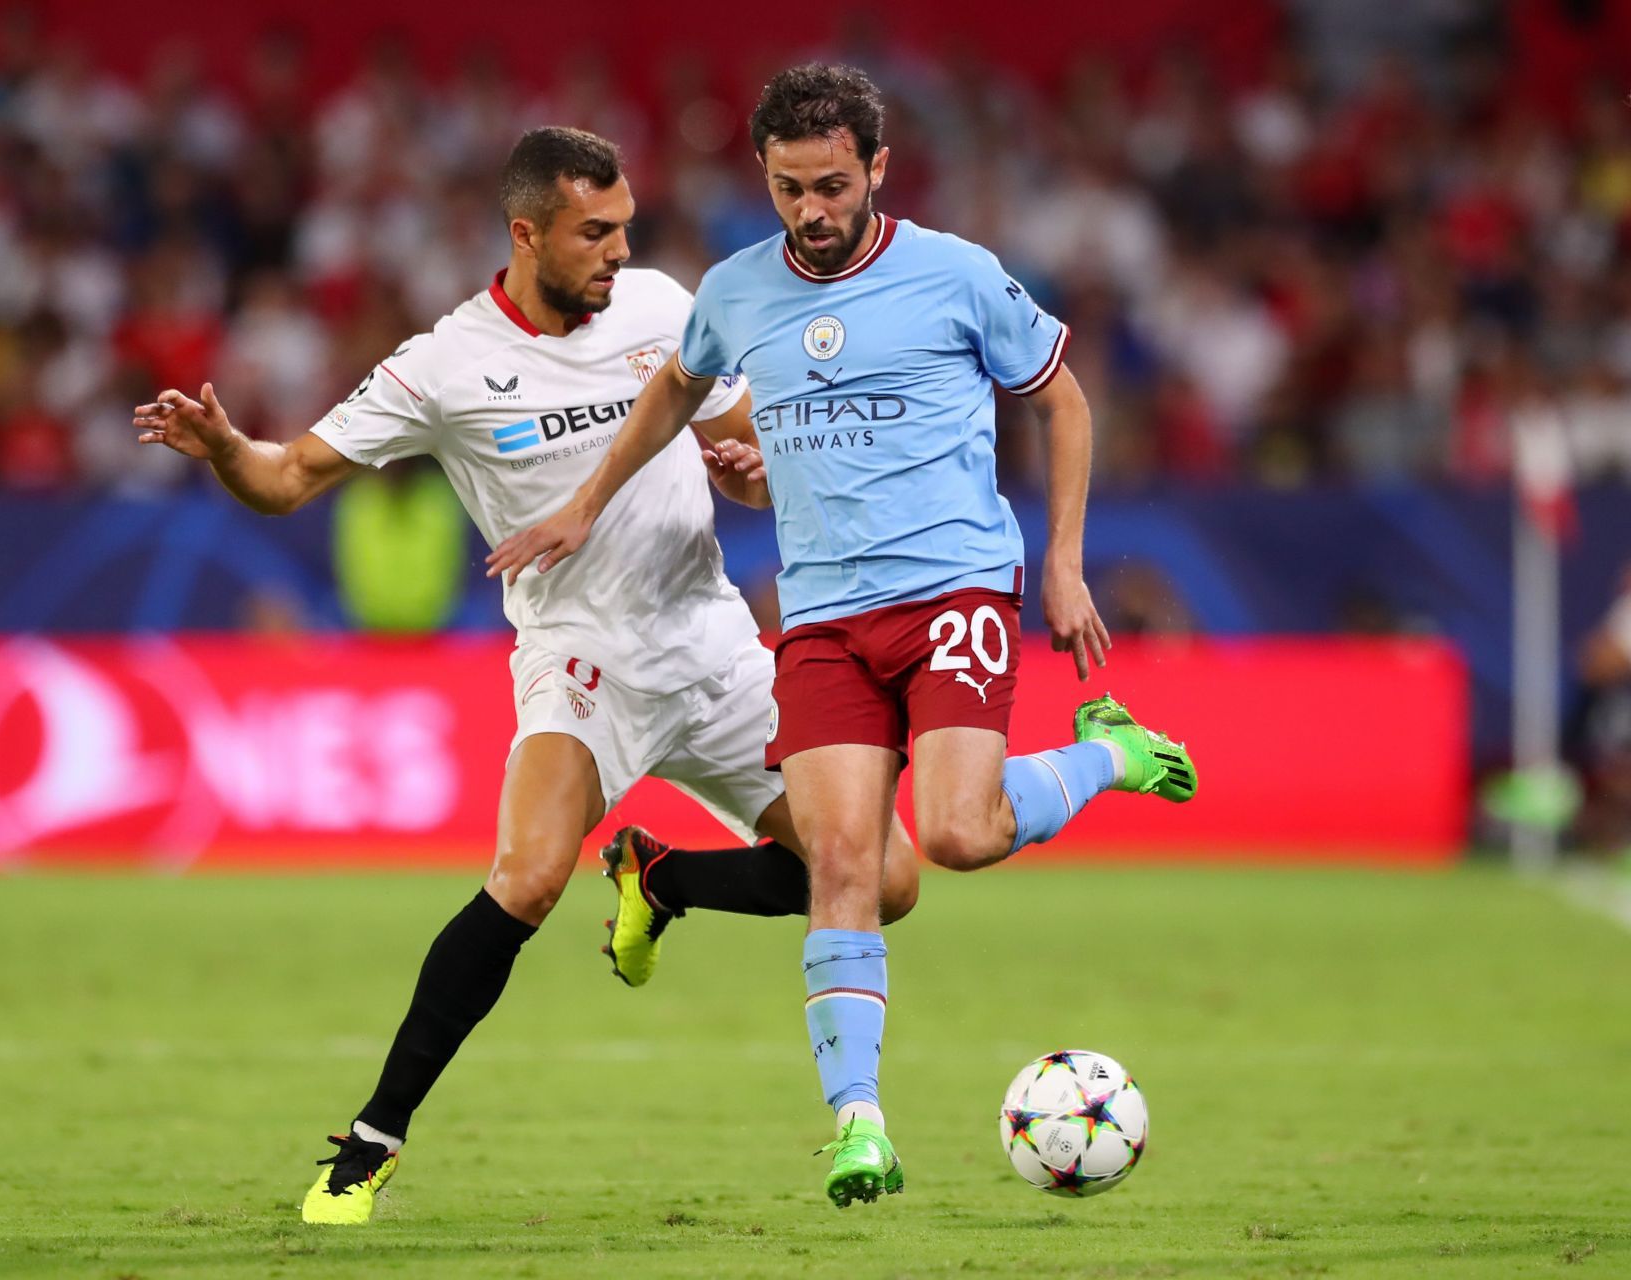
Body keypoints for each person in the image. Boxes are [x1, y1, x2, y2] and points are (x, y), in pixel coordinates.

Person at [133, 126, 919, 1226]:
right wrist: (224, 447)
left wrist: (749, 473)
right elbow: (288, 475)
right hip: (582, 656)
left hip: (712, 642)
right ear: (526, 233)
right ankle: (371, 1138)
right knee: (531, 872)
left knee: (884, 877)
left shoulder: (659, 309)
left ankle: (665, 878)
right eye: (594, 232)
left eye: (625, 227)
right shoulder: (446, 364)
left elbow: (749, 462)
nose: (617, 250)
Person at [488, 68, 1199, 1209]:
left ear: (876, 169)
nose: (810, 211)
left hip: (956, 591)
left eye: (829, 185)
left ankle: (1106, 751)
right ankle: (859, 1125)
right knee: (842, 864)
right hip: (820, 616)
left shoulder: (957, 275)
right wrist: (586, 503)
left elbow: (1061, 398)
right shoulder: (736, 290)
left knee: (960, 834)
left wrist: (1062, 563)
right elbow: (675, 390)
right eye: (787, 189)